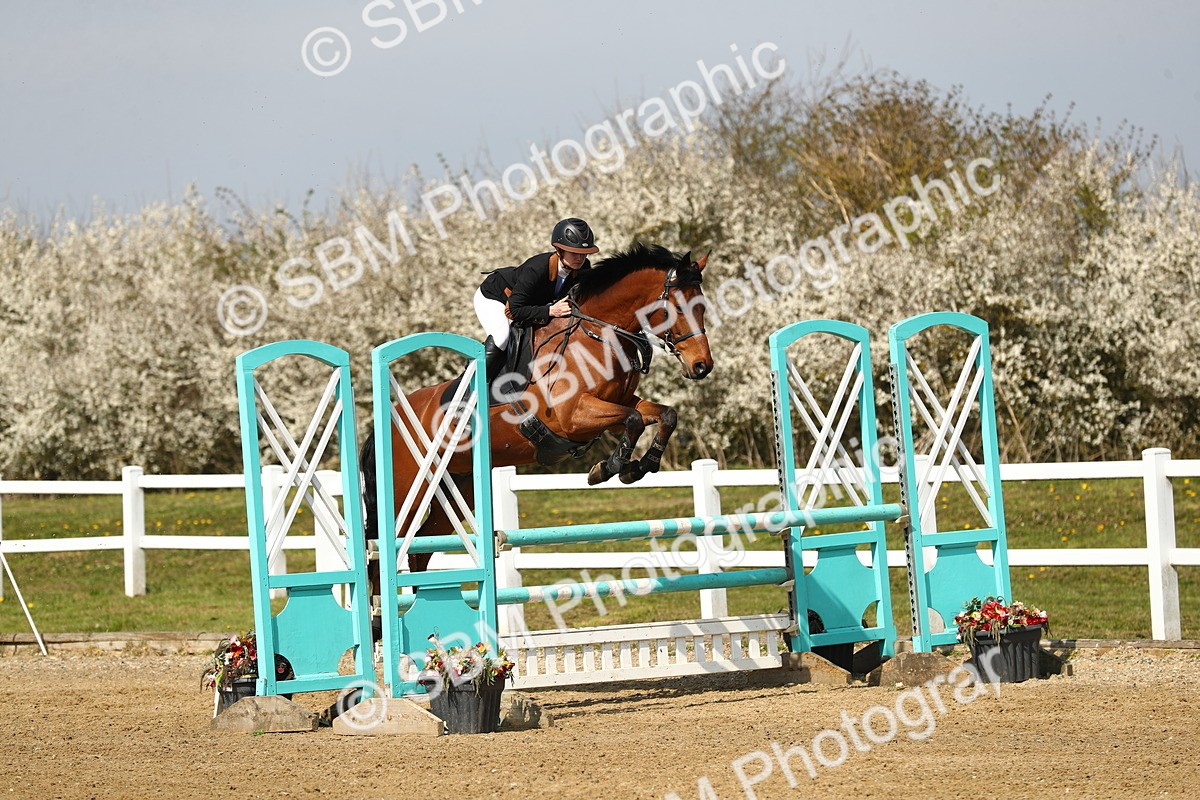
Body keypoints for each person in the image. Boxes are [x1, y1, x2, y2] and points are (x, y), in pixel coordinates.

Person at [475, 217, 600, 379]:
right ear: (559, 250)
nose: (580, 258)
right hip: (495, 297)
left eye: (584, 254)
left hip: (527, 304)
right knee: (502, 336)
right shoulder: (537, 268)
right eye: (574, 253)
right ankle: (472, 385)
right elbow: (513, 310)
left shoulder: (583, 268)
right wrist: (550, 310)